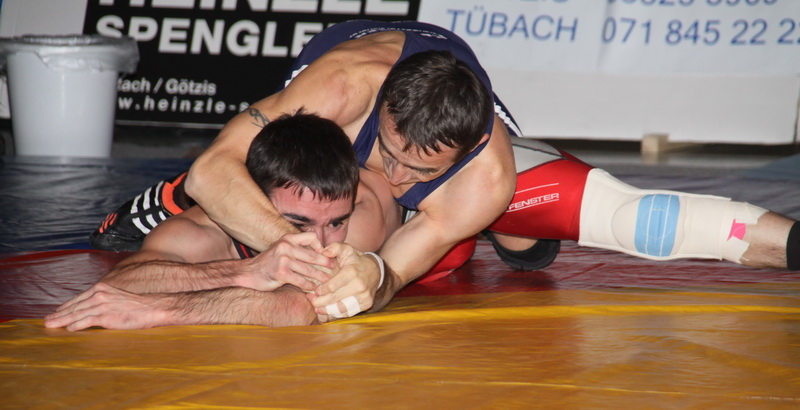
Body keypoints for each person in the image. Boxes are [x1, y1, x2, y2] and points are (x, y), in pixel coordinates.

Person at [89, 20, 799, 320]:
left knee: (598, 218)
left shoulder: (485, 175)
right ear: (382, 108)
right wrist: (287, 243)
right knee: (248, 177)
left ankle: (501, 235)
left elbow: (389, 277)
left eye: (419, 171)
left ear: (462, 153)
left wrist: (373, 275)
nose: (396, 178)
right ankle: (164, 197)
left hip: (467, 195)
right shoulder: (343, 88)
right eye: (390, 154)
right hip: (318, 131)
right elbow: (216, 166)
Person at [44, 111, 402, 331]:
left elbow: (296, 307)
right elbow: (119, 283)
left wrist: (160, 310)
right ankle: (180, 189)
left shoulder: (365, 215)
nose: (320, 244)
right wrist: (246, 271)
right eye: (298, 223)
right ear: (254, 202)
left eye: (336, 223)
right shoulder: (202, 232)